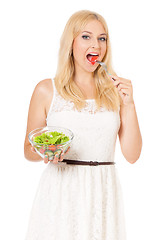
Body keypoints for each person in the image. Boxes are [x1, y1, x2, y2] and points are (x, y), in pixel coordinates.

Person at [24, 10, 142, 240]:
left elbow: (133, 154)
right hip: (61, 192)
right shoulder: (47, 90)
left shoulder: (115, 92)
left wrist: (129, 105)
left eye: (102, 38)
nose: (96, 45)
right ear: (71, 43)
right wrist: (47, 152)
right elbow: (28, 150)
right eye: (86, 37)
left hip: (103, 193)